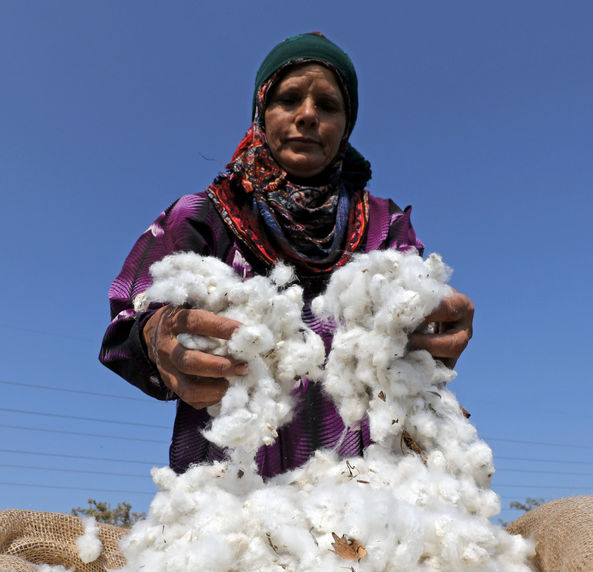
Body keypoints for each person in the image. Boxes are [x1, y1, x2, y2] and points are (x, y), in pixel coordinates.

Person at [100, 32, 473, 477]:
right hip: (233, 494)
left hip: (372, 495)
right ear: (261, 112)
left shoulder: (385, 225)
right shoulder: (202, 216)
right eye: (289, 98)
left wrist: (436, 324)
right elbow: (126, 324)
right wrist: (155, 334)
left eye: (328, 106)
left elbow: (419, 329)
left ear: (346, 125)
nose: (308, 116)